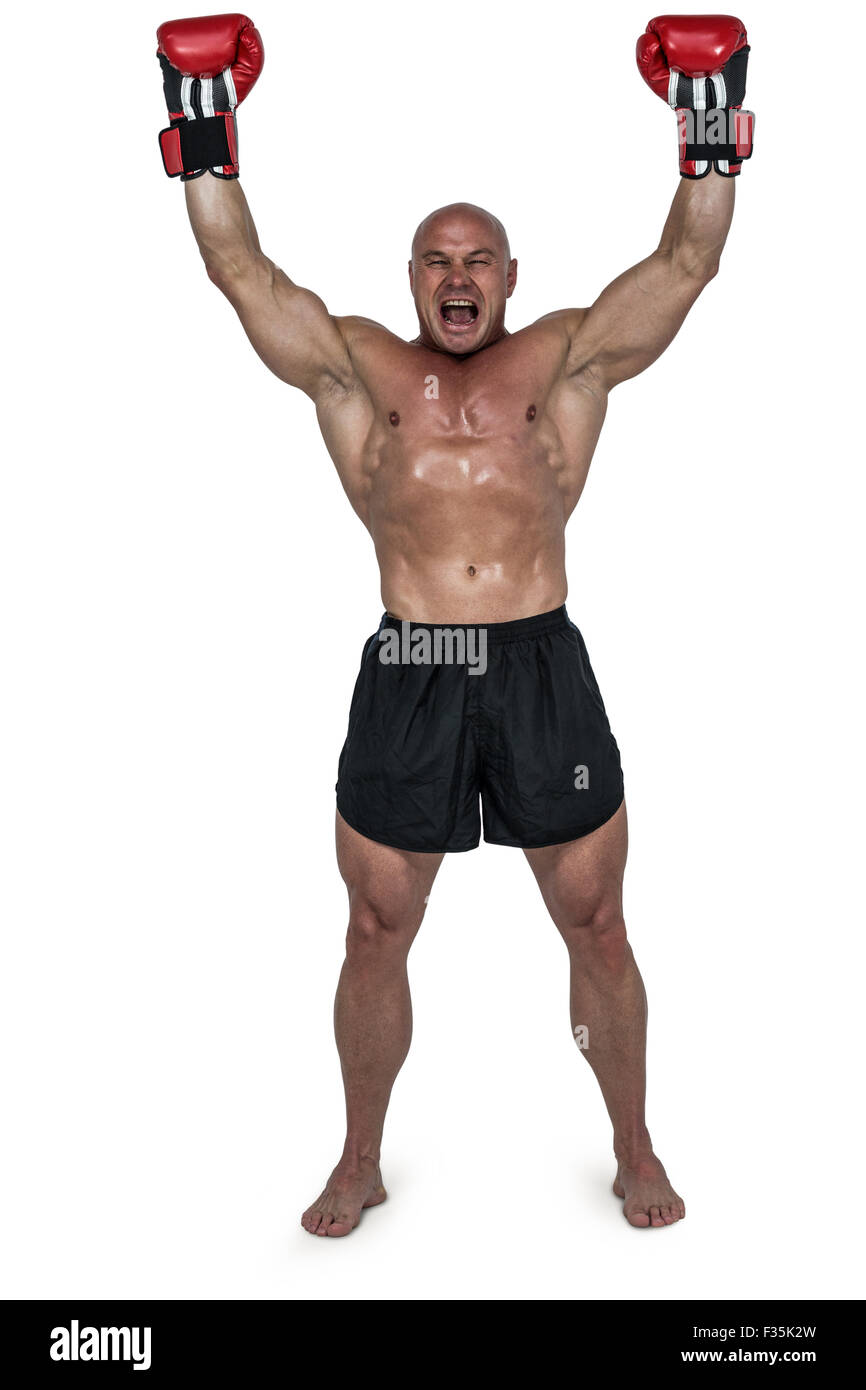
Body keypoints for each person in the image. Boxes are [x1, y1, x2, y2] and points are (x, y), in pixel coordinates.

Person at [155, 12, 753, 1234]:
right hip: (412, 659)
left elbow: (685, 265)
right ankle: (359, 1154)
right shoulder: (362, 371)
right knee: (377, 925)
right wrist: (203, 122)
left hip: (538, 658)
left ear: (511, 276)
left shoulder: (563, 363)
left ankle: (631, 1143)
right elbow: (241, 272)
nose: (459, 276)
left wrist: (707, 126)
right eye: (436, 258)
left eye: (479, 257)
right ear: (411, 278)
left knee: (593, 921)